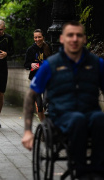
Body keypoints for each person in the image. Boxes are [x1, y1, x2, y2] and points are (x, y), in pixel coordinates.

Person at [22, 21, 104, 179]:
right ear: (62, 39)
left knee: (100, 119)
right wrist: (27, 131)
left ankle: (97, 170)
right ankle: (81, 170)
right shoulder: (50, 65)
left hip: (91, 111)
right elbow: (31, 95)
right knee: (78, 119)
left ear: (84, 39)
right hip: (62, 115)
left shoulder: (96, 63)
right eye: (70, 35)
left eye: (79, 35)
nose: (74, 39)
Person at [24, 29, 52, 121]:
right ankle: (43, 124)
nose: (37, 39)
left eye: (39, 37)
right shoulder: (30, 50)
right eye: (35, 37)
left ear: (43, 37)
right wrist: (31, 65)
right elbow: (26, 65)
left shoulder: (48, 47)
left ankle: (48, 122)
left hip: (47, 78)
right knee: (39, 104)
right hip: (35, 78)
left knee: (46, 102)